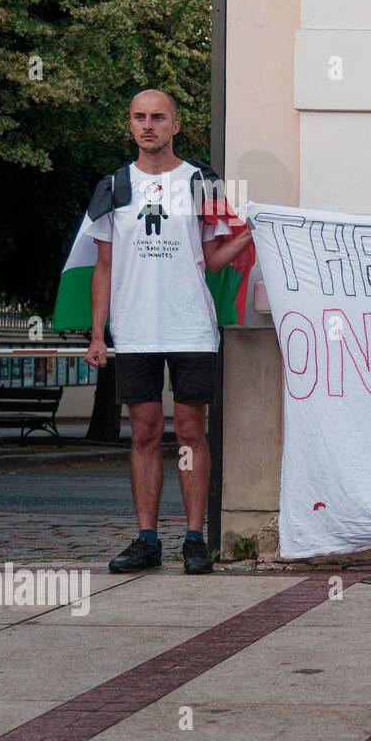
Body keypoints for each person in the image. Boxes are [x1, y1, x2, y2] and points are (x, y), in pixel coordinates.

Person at [82, 89, 253, 575]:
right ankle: (147, 538)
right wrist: (98, 334)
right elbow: (104, 267)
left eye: (158, 117)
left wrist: (250, 231)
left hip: (191, 328)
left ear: (176, 125)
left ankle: (195, 539)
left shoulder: (201, 182)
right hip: (135, 329)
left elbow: (213, 259)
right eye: (139, 117)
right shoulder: (114, 185)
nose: (148, 125)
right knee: (144, 433)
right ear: (130, 124)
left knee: (191, 432)